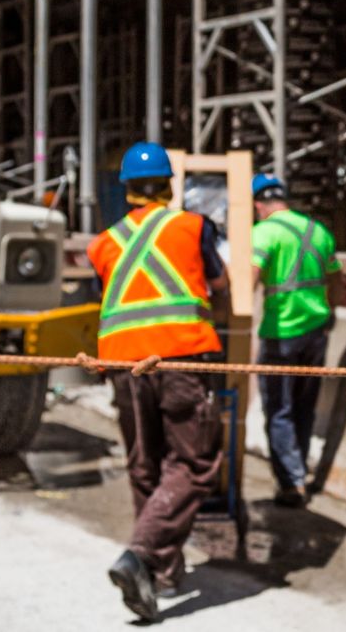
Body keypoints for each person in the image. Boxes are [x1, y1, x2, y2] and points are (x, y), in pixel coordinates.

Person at [86, 141, 229, 623]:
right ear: (170, 186)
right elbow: (221, 283)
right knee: (196, 463)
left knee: (146, 464)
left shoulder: (102, 243)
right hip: (179, 357)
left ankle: (161, 572)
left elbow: (107, 299)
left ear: (126, 190)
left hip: (124, 366)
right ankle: (142, 555)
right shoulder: (192, 227)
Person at [248, 173, 346, 507]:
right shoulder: (317, 231)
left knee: (278, 409)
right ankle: (299, 471)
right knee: (304, 407)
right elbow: (337, 281)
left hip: (280, 335)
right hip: (316, 333)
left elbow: (248, 280)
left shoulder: (264, 232)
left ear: (258, 204)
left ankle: (291, 484)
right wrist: (327, 313)